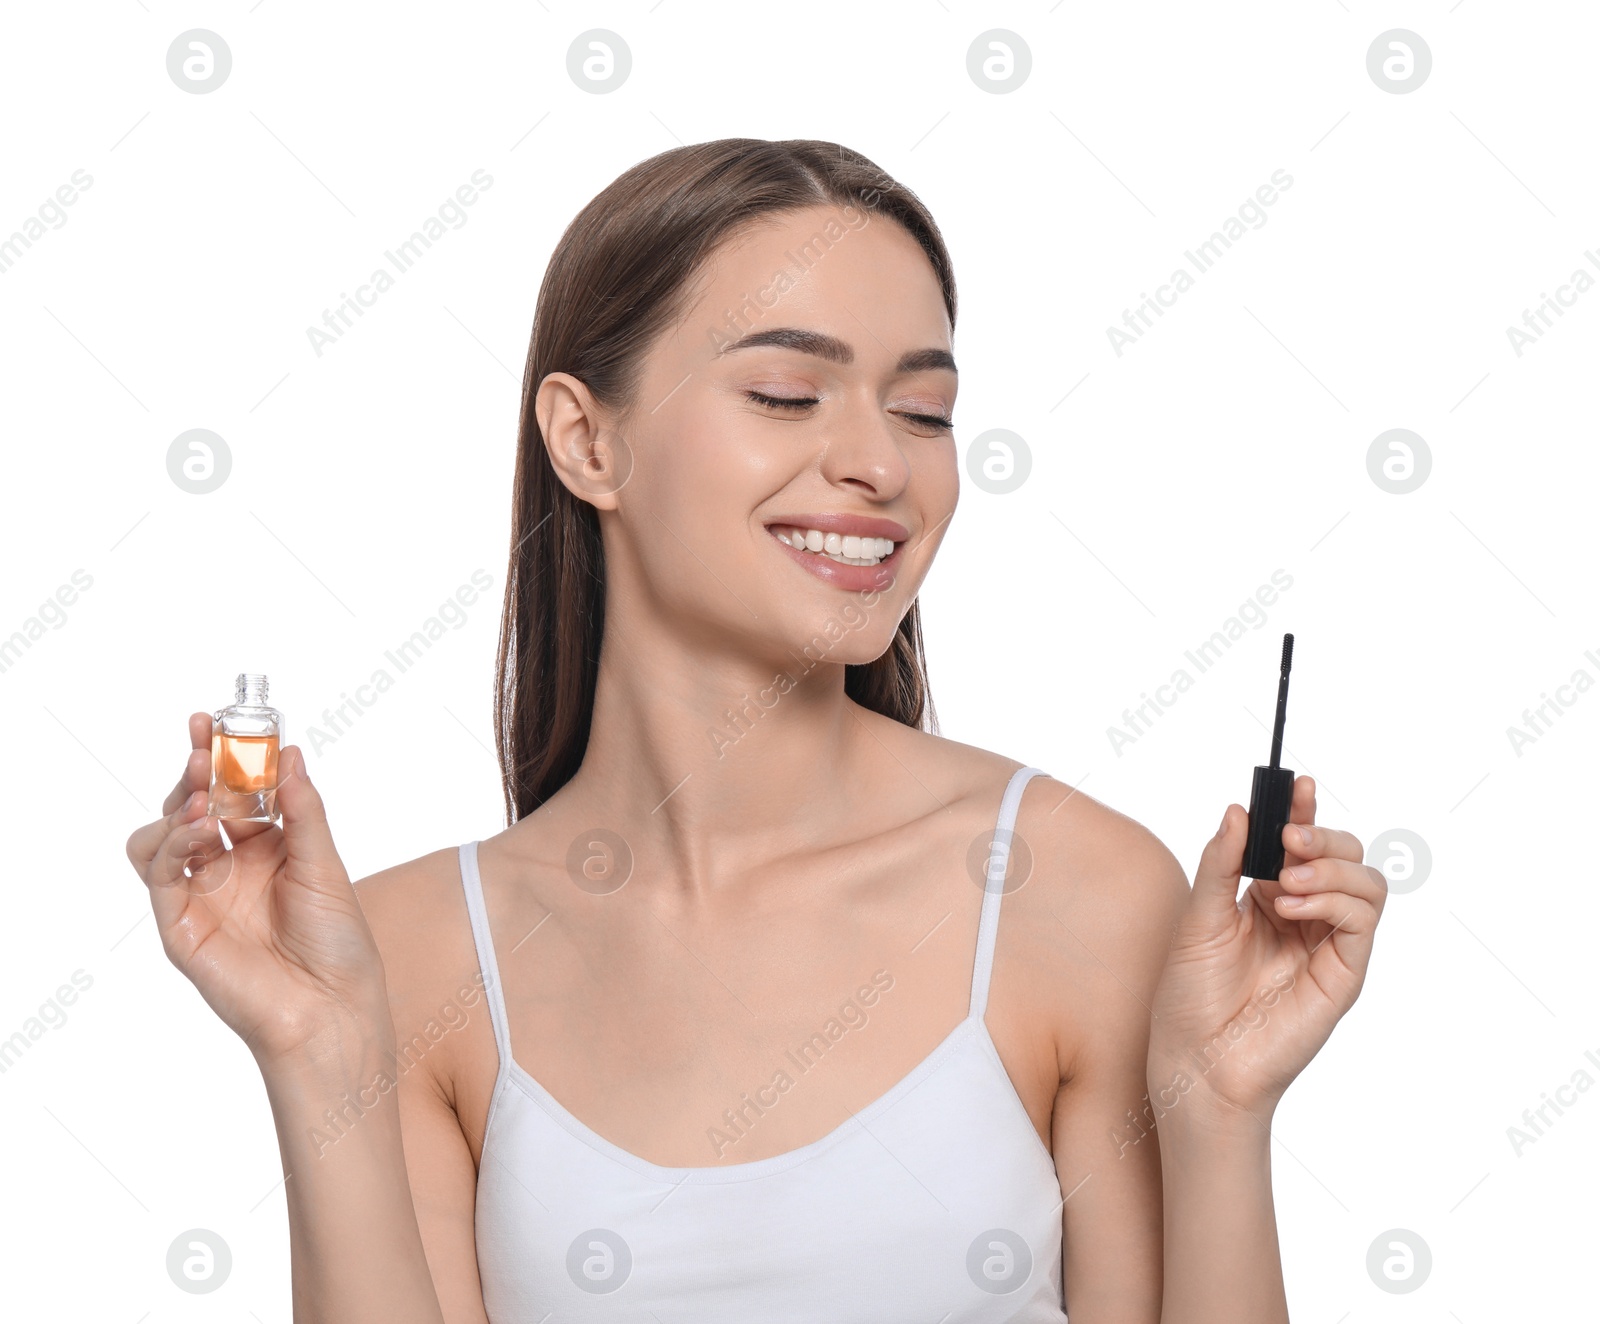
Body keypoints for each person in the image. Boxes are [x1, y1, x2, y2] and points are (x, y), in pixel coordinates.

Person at [126, 138, 1387, 1323]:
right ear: (586, 439)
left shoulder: (1074, 889)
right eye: (788, 393)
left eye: (924, 411)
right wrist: (315, 1054)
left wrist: (1221, 1109)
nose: (879, 465)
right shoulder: (401, 952)